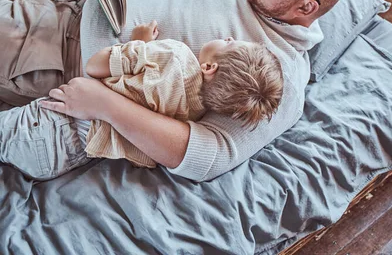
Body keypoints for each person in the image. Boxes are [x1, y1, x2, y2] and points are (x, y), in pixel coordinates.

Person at [0, 0, 347, 181]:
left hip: (63, 49)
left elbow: (209, 154)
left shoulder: (277, 73)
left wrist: (106, 105)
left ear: (306, 7)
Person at [0, 21, 283, 179]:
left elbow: (95, 66)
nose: (229, 36)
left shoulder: (174, 54)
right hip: (63, 160)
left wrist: (138, 43)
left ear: (210, 68)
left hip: (51, 122)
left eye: (231, 43)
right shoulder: (192, 116)